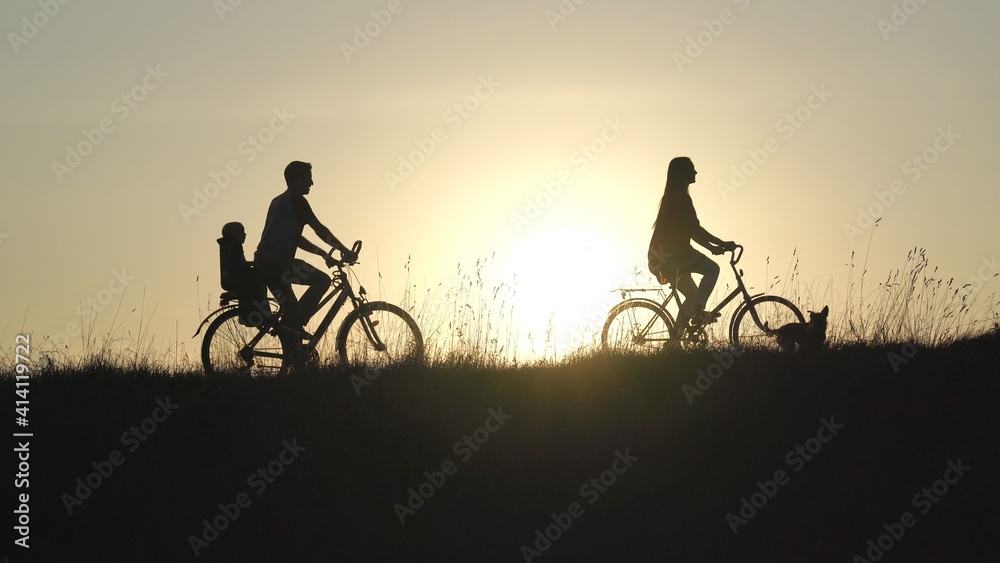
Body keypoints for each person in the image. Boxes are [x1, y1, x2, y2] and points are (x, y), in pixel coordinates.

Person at [254, 161, 355, 339]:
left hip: (265, 263)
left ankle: (294, 352)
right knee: (322, 281)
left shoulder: (277, 201)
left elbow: (295, 238)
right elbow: (319, 229)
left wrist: (323, 254)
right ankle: (293, 325)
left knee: (292, 317)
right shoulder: (297, 201)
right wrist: (345, 250)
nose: (311, 183)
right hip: (278, 263)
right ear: (295, 179)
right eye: (307, 178)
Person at [647, 156, 737, 329]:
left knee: (692, 296)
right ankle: (698, 311)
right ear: (683, 173)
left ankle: (675, 342)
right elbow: (694, 231)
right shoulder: (679, 199)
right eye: (692, 169)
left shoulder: (673, 197)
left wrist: (716, 246)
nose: (696, 172)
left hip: (662, 257)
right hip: (673, 256)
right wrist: (719, 245)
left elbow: (693, 230)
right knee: (713, 269)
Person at [218, 222, 270, 326]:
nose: (245, 234)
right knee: (262, 282)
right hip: (241, 279)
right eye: (242, 232)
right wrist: (256, 264)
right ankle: (265, 315)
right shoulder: (235, 245)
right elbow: (240, 265)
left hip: (232, 279)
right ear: (234, 234)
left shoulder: (226, 245)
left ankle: (256, 315)